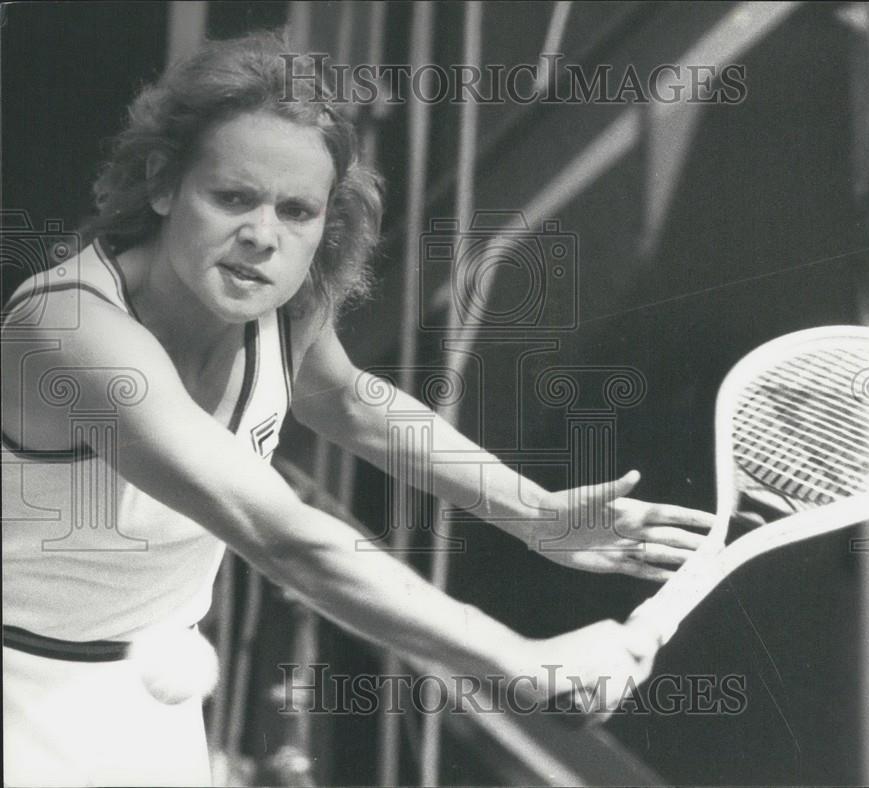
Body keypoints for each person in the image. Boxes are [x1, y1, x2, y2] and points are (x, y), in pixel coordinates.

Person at [0, 30, 713, 786]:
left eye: (296, 211)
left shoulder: (281, 305)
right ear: (163, 183)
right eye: (232, 197)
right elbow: (285, 539)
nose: (261, 236)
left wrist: (536, 512)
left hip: (148, 689)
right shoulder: (68, 332)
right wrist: (519, 660)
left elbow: (350, 401)